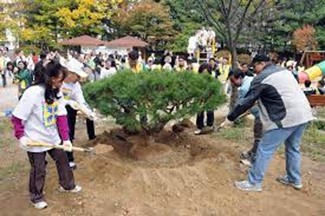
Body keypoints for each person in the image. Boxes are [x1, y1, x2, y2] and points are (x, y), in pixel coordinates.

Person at [223, 54, 313, 192]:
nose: (255, 70)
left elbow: (246, 102)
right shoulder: (283, 71)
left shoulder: (262, 78)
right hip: (303, 113)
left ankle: (254, 183)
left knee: (264, 149)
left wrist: (230, 118)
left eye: (255, 66)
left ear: (261, 63)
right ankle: (294, 179)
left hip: (286, 117)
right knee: (293, 148)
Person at [11, 60, 82, 209]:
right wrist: (21, 136)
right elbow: (17, 117)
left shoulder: (57, 92)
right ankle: (36, 196)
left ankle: (67, 185)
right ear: (51, 78)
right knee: (39, 169)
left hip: (52, 137)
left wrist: (66, 139)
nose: (62, 83)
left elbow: (61, 116)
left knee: (63, 160)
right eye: (60, 80)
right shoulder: (33, 93)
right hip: (35, 139)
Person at [61, 58, 96, 170]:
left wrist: (89, 113)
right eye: (77, 75)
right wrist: (67, 102)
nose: (79, 78)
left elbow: (81, 100)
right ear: (70, 73)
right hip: (55, 109)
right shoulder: (58, 80)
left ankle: (69, 159)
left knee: (68, 132)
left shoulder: (76, 85)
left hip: (69, 110)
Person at [228, 69, 262, 166]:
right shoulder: (251, 79)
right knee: (257, 134)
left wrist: (232, 118)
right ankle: (251, 152)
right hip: (261, 112)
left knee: (259, 137)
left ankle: (253, 159)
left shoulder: (244, 89)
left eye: (233, 80)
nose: (232, 83)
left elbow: (242, 107)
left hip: (263, 114)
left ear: (240, 77)